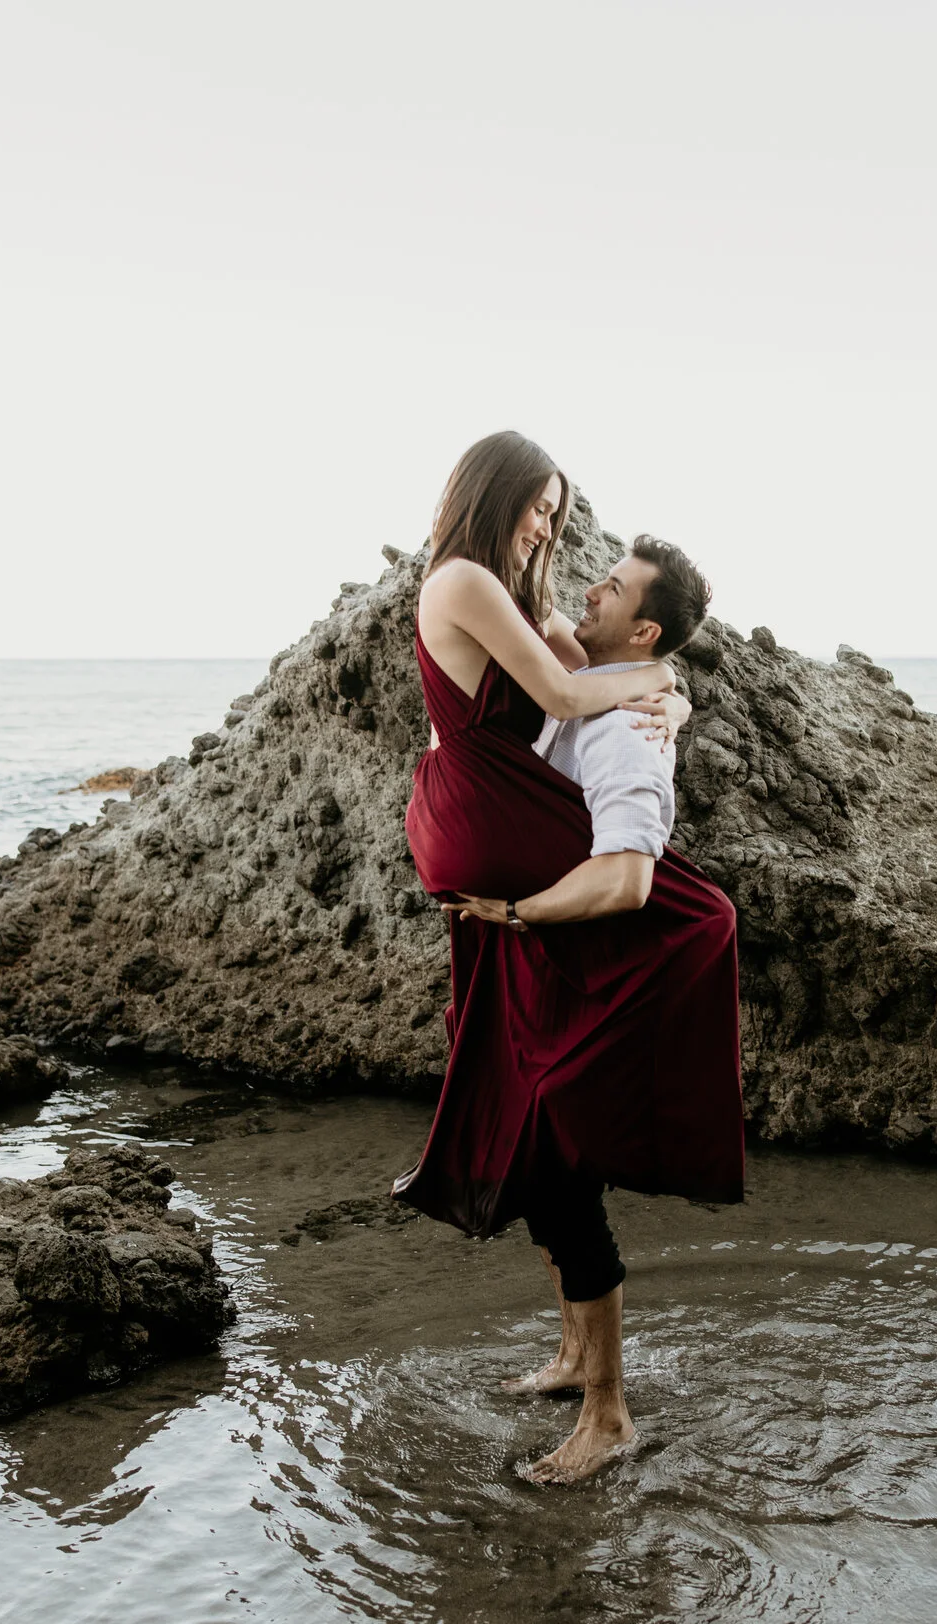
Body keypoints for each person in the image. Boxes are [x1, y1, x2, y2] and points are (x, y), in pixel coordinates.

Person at [396, 433, 746, 1486]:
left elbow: (587, 677)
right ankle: (577, 1362)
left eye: (558, 509)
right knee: (532, 1123)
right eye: (541, 505)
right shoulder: (461, 579)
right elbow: (564, 692)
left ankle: (603, 1402)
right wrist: (655, 689)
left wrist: (663, 694)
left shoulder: (512, 601)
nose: (551, 525)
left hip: (527, 891)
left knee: (548, 1126)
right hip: (497, 862)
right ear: (495, 493)